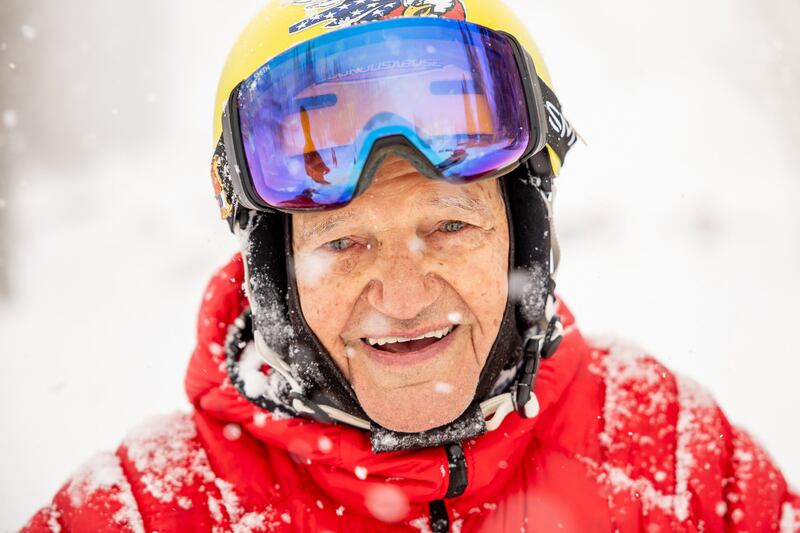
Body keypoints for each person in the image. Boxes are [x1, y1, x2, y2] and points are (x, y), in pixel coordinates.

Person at [21, 1, 799, 532]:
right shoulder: (145, 508)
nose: (401, 296)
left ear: (523, 235)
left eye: (451, 224)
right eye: (343, 242)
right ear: (275, 275)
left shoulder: (675, 454)